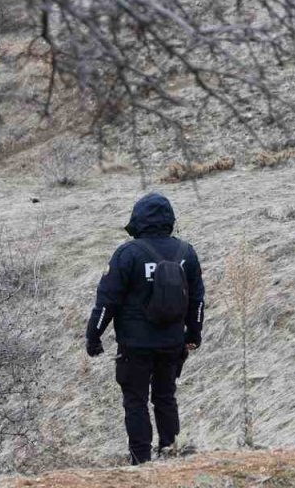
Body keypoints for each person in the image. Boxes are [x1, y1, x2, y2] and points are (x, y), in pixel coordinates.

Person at [86, 193, 206, 465]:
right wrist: (194, 335)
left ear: (138, 219)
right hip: (172, 344)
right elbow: (197, 300)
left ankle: (141, 462)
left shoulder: (128, 253)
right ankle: (171, 454)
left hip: (135, 346)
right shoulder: (186, 253)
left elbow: (107, 301)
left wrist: (93, 336)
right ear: (169, 220)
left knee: (135, 400)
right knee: (165, 397)